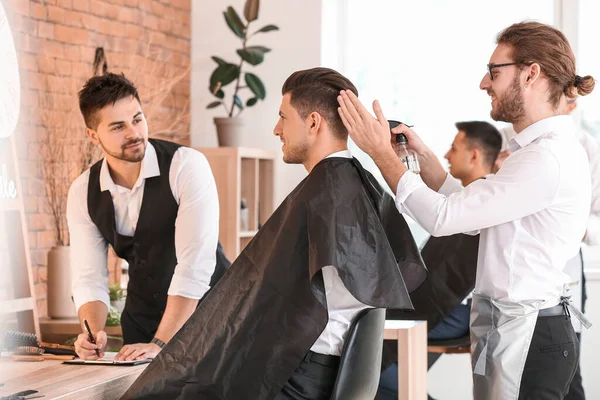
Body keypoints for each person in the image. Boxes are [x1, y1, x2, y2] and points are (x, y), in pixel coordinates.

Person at [122, 67, 428, 400]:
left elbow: (306, 309)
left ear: (313, 122)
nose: (276, 129)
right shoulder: (354, 184)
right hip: (320, 371)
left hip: (300, 377)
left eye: (283, 117)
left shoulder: (328, 193)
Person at [338, 21, 594, 399]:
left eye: (494, 72)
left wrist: (379, 155)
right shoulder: (534, 153)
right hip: (515, 329)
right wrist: (422, 157)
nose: (483, 84)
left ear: (531, 74)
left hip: (529, 336)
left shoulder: (546, 158)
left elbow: (445, 219)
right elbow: (474, 210)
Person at [67, 72, 229, 362]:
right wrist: (92, 334)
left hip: (211, 316)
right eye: (118, 126)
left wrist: (161, 342)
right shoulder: (82, 192)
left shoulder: (186, 166)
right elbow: (89, 278)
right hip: (142, 323)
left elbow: (195, 266)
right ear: (92, 135)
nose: (133, 133)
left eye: (137, 119)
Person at [377, 121, 502, 400]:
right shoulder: (464, 200)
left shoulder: (485, 202)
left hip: (455, 311)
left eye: (454, 148)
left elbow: (438, 218)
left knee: (372, 362)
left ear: (474, 155)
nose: (447, 154)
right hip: (442, 306)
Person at [500, 95, 600, 400]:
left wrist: (564, 218)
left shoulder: (585, 148)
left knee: (564, 374)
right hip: (508, 284)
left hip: (560, 277)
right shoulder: (504, 141)